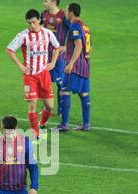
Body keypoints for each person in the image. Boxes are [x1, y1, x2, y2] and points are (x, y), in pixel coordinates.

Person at [6, 9, 60, 142]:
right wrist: (21, 66)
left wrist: (52, 63)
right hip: (30, 76)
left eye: (34, 22)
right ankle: (35, 133)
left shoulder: (47, 33)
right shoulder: (23, 35)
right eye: (29, 23)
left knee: (50, 106)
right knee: (32, 105)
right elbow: (9, 50)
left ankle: (41, 125)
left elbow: (57, 47)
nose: (31, 26)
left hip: (44, 75)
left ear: (40, 20)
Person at [55, 3, 91, 132]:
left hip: (75, 66)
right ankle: (86, 124)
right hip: (85, 65)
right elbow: (85, 45)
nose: (65, 12)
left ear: (71, 12)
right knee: (84, 94)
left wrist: (70, 63)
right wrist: (67, 48)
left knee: (64, 91)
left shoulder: (74, 25)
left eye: (66, 10)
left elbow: (79, 45)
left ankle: (64, 124)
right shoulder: (85, 26)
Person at [41, 0, 70, 115]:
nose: (44, 2)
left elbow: (73, 31)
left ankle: (61, 109)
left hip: (59, 56)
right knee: (44, 81)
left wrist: (67, 47)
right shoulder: (44, 14)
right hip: (45, 54)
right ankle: (47, 107)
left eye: (46, 1)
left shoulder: (63, 16)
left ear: (53, 2)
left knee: (60, 83)